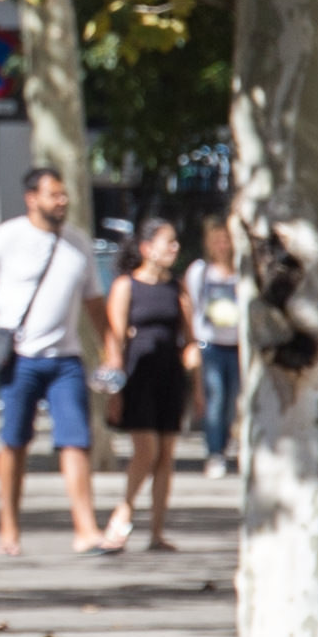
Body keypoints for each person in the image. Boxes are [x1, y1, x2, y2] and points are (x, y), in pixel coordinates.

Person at [0, 164, 108, 557]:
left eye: (64, 194)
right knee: (15, 442)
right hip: (20, 359)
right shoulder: (7, 238)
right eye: (53, 194)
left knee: (76, 441)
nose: (62, 201)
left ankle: (86, 530)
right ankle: (8, 529)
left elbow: (94, 303)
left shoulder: (78, 242)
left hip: (66, 359)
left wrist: (110, 347)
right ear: (32, 199)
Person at [101, 217, 196, 550]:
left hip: (170, 375)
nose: (175, 248)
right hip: (138, 375)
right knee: (146, 449)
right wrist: (114, 388)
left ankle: (156, 532)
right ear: (146, 248)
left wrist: (197, 380)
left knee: (166, 455)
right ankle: (123, 511)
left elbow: (190, 338)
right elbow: (114, 340)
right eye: (168, 242)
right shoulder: (126, 286)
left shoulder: (177, 288)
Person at [187, 214, 245, 476]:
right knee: (214, 398)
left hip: (237, 345)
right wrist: (191, 343)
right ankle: (214, 453)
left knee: (232, 401)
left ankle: (224, 445)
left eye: (226, 240)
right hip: (209, 345)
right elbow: (191, 308)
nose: (222, 245)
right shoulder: (200, 272)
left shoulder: (242, 272)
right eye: (217, 240)